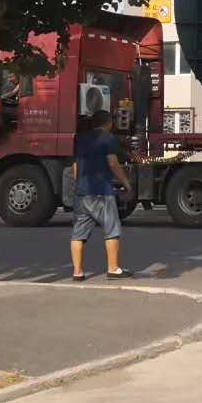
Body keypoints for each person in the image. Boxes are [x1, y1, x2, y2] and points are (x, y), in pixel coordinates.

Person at [70, 109, 134, 281]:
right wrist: (126, 183)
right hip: (102, 192)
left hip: (82, 193)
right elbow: (112, 163)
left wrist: (78, 186)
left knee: (78, 234)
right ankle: (113, 268)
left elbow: (75, 167)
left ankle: (77, 272)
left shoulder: (81, 139)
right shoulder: (108, 137)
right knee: (112, 230)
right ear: (109, 123)